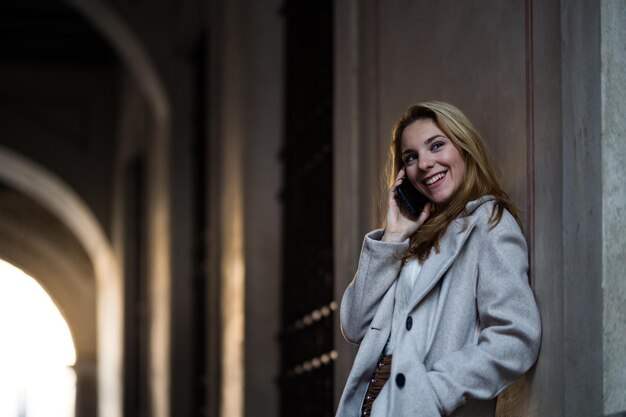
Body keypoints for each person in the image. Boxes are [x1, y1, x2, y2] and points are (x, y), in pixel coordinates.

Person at [335, 101, 541, 417]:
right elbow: (354, 323)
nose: (425, 163)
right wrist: (393, 236)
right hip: (372, 403)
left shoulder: (488, 223)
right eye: (411, 157)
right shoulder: (410, 240)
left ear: (463, 147)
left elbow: (516, 337)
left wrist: (432, 391)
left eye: (436, 146)